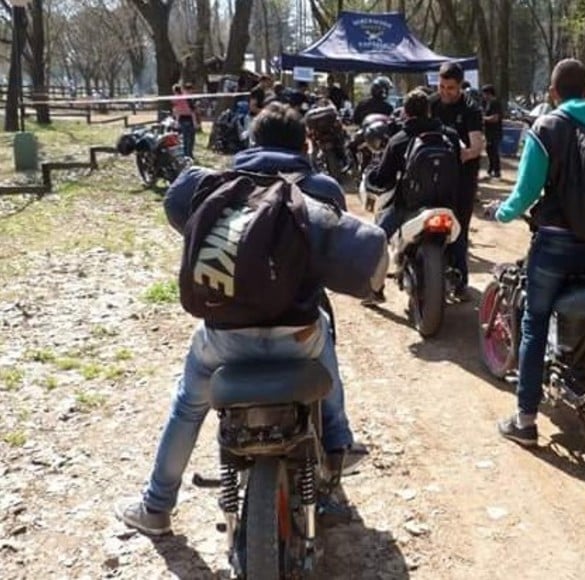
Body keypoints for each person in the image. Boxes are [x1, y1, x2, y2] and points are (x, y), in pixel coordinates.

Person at [114, 102, 388, 536]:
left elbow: (176, 211)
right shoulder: (322, 188)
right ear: (305, 144)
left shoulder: (215, 185)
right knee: (325, 345)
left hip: (225, 336)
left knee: (188, 404)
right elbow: (360, 258)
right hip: (298, 333)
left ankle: (156, 506)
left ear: (252, 141)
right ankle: (339, 444)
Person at [487, 59, 585, 446]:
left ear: (552, 92)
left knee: (534, 322)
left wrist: (502, 212)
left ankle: (525, 421)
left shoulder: (547, 127)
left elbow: (527, 191)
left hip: (556, 243)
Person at [361, 88, 462, 306]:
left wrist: (370, 176)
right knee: (458, 238)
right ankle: (457, 279)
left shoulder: (399, 139)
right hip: (446, 204)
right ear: (428, 110)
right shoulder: (450, 136)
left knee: (378, 236)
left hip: (408, 206)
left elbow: (383, 177)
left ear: (406, 112)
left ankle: (375, 291)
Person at [430, 62, 484, 300]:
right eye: (441, 86)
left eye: (450, 88)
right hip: (433, 178)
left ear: (461, 85)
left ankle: (460, 281)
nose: (445, 92)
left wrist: (457, 153)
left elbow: (476, 147)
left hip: (462, 180)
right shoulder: (432, 103)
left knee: (458, 229)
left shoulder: (471, 109)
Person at [481, 84, 503, 179]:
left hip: (495, 132)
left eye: (484, 94)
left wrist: (483, 119)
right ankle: (491, 170)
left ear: (489, 93)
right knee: (489, 151)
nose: (483, 96)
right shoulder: (488, 103)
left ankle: (497, 171)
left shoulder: (495, 103)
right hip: (488, 132)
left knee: (494, 151)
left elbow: (495, 118)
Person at [171, 83, 197, 159]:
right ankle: (189, 154)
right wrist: (195, 122)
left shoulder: (175, 99)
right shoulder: (187, 98)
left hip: (183, 119)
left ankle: (186, 155)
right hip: (189, 119)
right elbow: (192, 111)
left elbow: (177, 111)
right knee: (191, 138)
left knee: (186, 138)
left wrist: (176, 121)